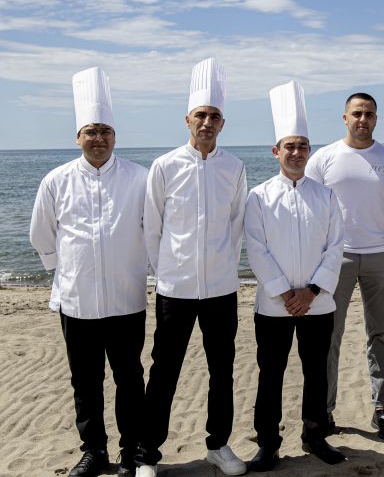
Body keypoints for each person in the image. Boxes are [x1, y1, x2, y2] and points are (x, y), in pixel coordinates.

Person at [30, 67, 148, 477]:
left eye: (105, 131)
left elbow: (154, 232)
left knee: (130, 380)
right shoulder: (55, 181)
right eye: (90, 131)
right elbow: (41, 235)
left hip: (126, 298)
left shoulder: (140, 179)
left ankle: (132, 451)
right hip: (76, 302)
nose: (99, 139)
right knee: (86, 383)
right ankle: (93, 451)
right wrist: (64, 273)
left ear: (115, 136)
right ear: (77, 137)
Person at [136, 58, 247, 477]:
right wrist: (165, 272)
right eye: (201, 114)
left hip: (221, 288)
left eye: (214, 116)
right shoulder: (165, 166)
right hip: (175, 288)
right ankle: (148, 453)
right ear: (188, 119)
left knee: (223, 371)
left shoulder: (233, 167)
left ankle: (218, 445)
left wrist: (223, 266)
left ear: (223, 123)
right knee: (164, 369)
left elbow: (236, 225)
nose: (207, 121)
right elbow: (152, 226)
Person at [244, 81, 346, 471]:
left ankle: (315, 435)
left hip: (318, 303)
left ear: (310, 151)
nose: (297, 152)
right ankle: (267, 443)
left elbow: (336, 246)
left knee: (316, 373)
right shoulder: (259, 196)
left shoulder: (326, 195)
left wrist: (312, 291)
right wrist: (286, 292)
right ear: (276, 151)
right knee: (270, 375)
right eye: (290, 145)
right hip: (273, 305)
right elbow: (256, 248)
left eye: (303, 145)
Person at [305, 92, 384, 441]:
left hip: (382, 257)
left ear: (376, 119)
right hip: (338, 259)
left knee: (379, 334)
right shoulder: (324, 158)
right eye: (356, 114)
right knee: (328, 336)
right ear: (344, 118)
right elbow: (309, 211)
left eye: (369, 114)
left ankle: (381, 408)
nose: (362, 119)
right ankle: (325, 411)